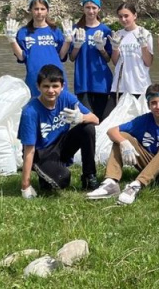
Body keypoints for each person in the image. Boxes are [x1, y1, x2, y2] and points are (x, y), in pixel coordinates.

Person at [86, 83, 159, 203]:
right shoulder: (144, 120)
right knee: (121, 136)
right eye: (153, 103)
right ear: (148, 105)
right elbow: (111, 131)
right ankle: (111, 182)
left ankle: (137, 185)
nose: (158, 106)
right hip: (148, 163)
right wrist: (124, 143)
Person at [17, 64, 99, 198]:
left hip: (61, 144)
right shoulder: (30, 111)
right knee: (62, 179)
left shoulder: (66, 97)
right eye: (46, 86)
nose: (51, 90)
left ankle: (89, 176)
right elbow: (29, 149)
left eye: (55, 86)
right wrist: (25, 185)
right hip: (41, 153)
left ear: (62, 86)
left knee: (88, 128)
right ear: (38, 87)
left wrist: (81, 118)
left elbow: (95, 119)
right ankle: (45, 175)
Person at [5, 0, 70, 96]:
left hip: (56, 78)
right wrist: (12, 40)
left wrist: (68, 41)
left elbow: (61, 56)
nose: (39, 12)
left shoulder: (55, 31)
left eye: (42, 9)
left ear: (47, 11)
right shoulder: (23, 32)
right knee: (36, 104)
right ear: (30, 10)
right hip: (34, 78)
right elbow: (21, 57)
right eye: (36, 9)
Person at [68, 0, 113, 119]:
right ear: (83, 9)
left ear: (99, 9)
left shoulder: (105, 30)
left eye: (94, 8)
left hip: (101, 81)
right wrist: (77, 46)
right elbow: (72, 57)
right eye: (87, 7)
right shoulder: (75, 29)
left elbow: (108, 58)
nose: (91, 11)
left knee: (101, 119)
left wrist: (101, 49)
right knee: (86, 118)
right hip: (83, 80)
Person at [109, 2, 153, 100]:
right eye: (120, 17)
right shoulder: (117, 34)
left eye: (126, 16)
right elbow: (115, 62)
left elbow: (148, 62)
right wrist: (115, 48)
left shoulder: (144, 33)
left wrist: (144, 46)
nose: (123, 19)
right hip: (119, 86)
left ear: (135, 15)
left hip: (140, 86)